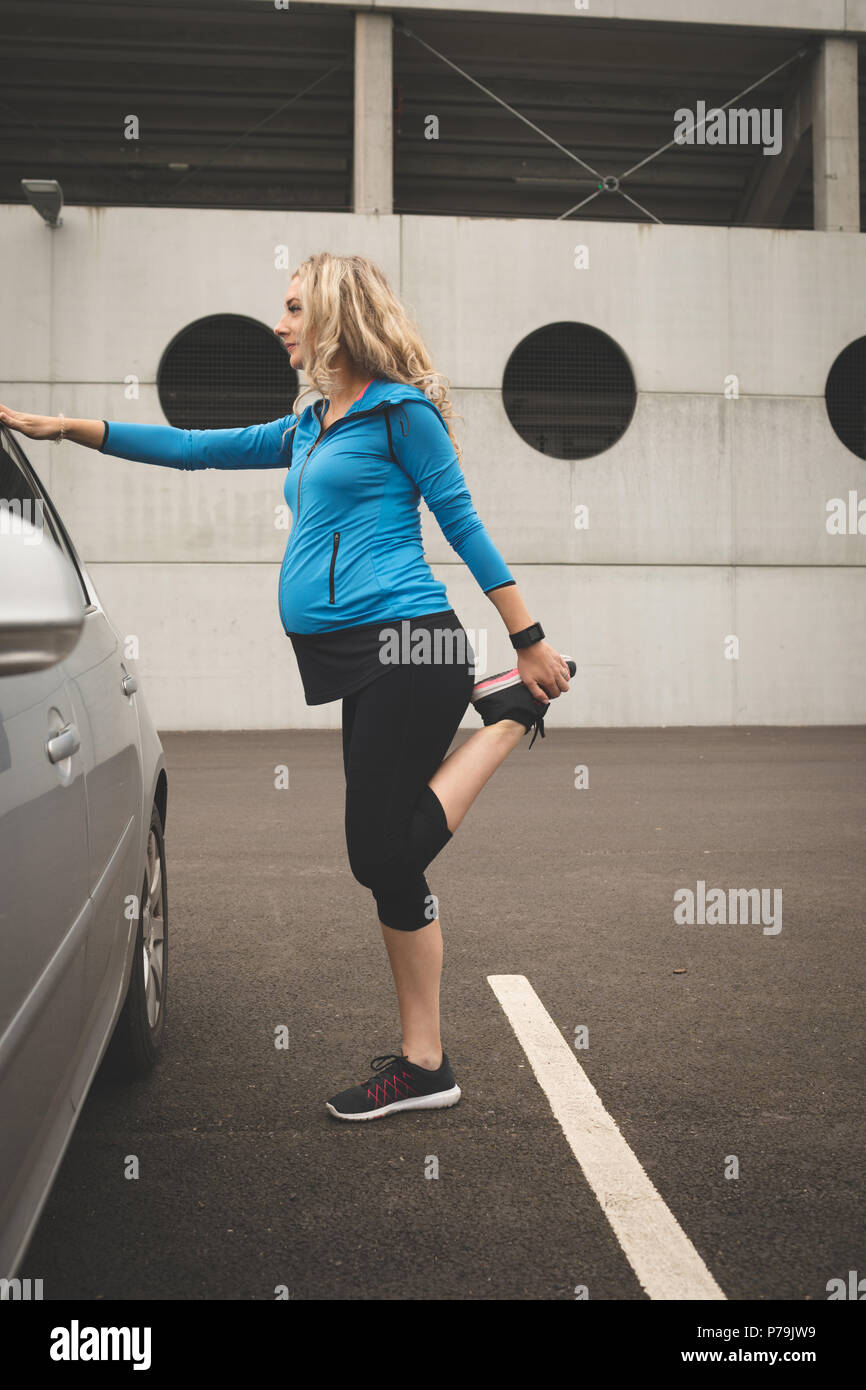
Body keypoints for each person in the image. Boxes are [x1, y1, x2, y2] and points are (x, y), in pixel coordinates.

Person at [0, 251, 575, 1122]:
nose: (280, 324)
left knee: (381, 851)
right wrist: (65, 427)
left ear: (338, 316)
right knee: (388, 862)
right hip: (356, 658)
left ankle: (504, 720)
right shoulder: (309, 425)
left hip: (408, 645)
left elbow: (463, 522)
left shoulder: (399, 416)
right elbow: (192, 449)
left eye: (294, 307)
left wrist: (528, 642)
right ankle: (427, 1066)